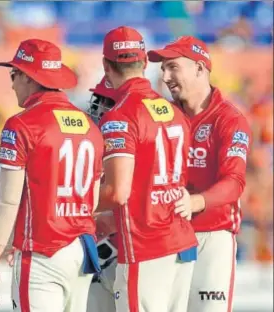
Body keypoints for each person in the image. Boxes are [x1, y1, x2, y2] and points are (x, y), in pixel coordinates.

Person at [0, 38, 103, 312]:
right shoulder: (89, 125)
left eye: (14, 75)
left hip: (42, 252)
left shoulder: (21, 125)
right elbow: (91, 200)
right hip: (81, 251)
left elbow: (8, 200)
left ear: (28, 77)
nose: (11, 84)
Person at [97, 26, 198, 312]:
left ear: (106, 65)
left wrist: (70, 202)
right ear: (144, 62)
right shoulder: (175, 112)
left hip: (145, 245)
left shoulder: (120, 116)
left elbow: (118, 192)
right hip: (180, 241)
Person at [148, 36, 251, 312]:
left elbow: (234, 182)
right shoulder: (162, 116)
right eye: (163, 70)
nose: (165, 76)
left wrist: (194, 202)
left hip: (212, 237)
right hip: (165, 237)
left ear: (199, 68)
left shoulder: (229, 119)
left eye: (172, 67)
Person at [86, 77, 119, 312]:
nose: (98, 106)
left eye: (106, 101)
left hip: (124, 253)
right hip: (91, 256)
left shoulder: (140, 140)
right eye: (98, 100)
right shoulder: (85, 141)